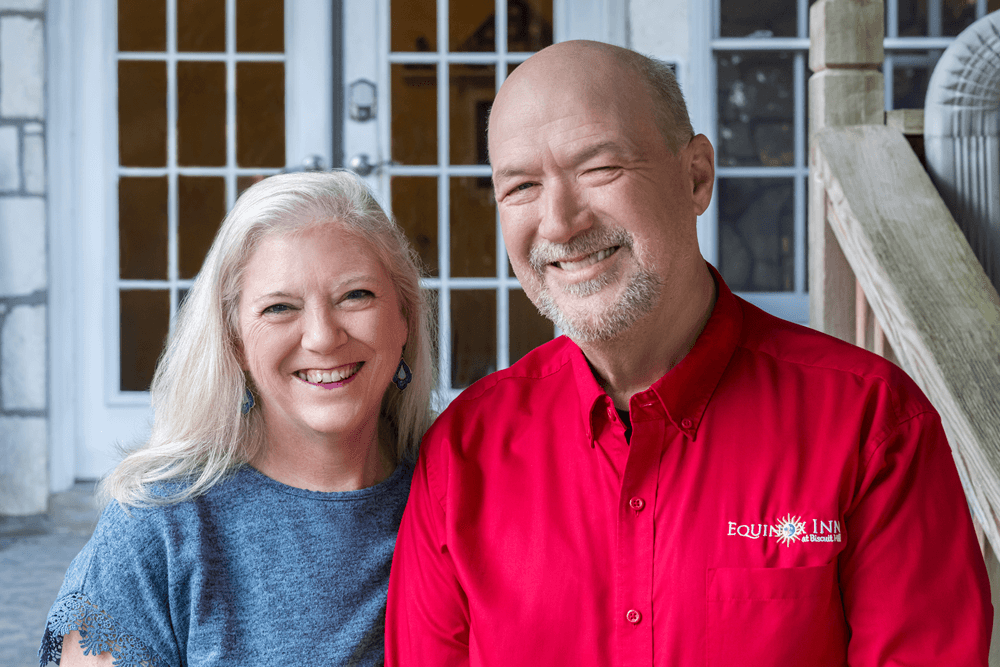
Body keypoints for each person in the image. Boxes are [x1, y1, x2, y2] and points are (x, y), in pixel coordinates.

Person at [385, 40, 992, 666]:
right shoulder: (462, 454)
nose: (560, 222)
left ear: (695, 176)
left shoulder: (872, 424)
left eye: (600, 168)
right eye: (521, 187)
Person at [39, 170, 434, 667]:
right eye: (279, 307)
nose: (322, 337)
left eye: (355, 296)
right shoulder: (160, 522)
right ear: (236, 343)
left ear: (404, 317)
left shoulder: (458, 483)